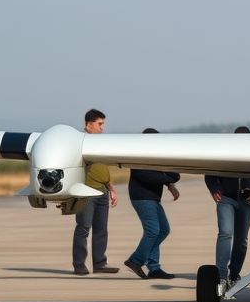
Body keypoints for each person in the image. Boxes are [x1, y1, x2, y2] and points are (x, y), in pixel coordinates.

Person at [204, 126, 250, 286]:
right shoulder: (223, 154)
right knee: (225, 233)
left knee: (241, 241)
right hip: (226, 200)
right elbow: (209, 173)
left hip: (246, 202)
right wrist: (214, 189)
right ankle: (220, 276)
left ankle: (234, 274)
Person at [124, 129, 180, 280]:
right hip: (142, 198)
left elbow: (173, 174)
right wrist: (167, 178)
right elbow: (146, 176)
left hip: (153, 198)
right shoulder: (138, 156)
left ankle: (154, 269)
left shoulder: (154, 156)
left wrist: (169, 182)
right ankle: (135, 261)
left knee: (163, 230)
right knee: (153, 231)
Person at [72, 108, 119, 275]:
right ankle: (79, 265)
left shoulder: (100, 143)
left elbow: (104, 170)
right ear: (88, 124)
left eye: (103, 124)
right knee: (83, 228)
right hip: (86, 192)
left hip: (102, 192)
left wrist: (112, 189)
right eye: (100, 124)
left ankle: (100, 264)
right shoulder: (79, 141)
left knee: (101, 229)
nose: (102, 128)